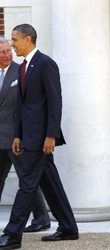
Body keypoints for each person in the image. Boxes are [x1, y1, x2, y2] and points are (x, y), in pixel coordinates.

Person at [0, 24, 78, 249]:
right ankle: (68, 228)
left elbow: (55, 102)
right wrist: (18, 135)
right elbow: (23, 106)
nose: (12, 45)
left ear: (28, 39)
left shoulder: (45, 64)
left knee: (26, 185)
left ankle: (12, 235)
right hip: (28, 137)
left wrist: (51, 135)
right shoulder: (23, 67)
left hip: (41, 138)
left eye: (15, 40)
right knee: (50, 183)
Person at [0, 37, 51, 235]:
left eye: (8, 50)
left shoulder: (21, 71)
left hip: (16, 138)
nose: (6, 54)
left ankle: (41, 218)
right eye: (2, 52)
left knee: (27, 180)